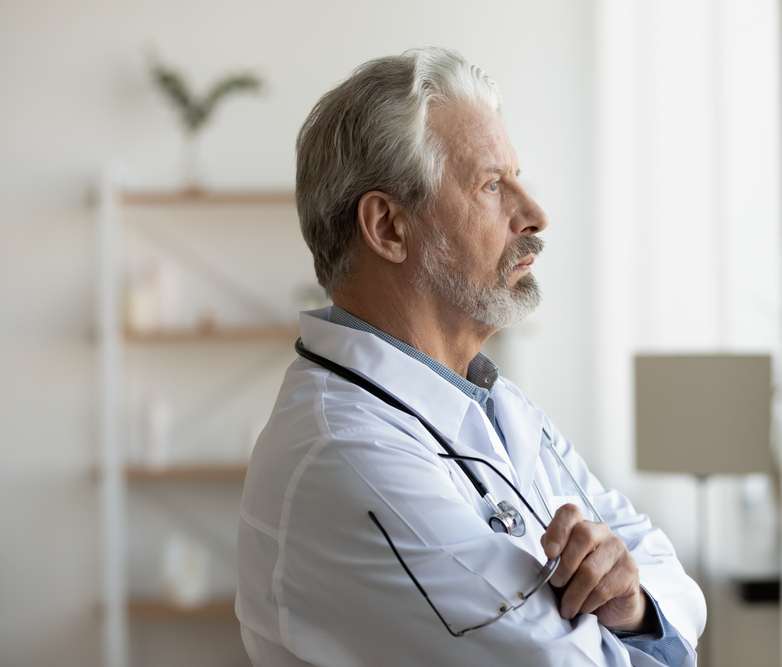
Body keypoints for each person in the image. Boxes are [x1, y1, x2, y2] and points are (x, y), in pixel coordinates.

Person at [236, 47, 705, 667]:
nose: (534, 214)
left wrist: (636, 608)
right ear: (389, 228)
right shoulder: (349, 456)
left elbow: (674, 582)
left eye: (517, 179)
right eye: (491, 185)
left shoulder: (497, 407)